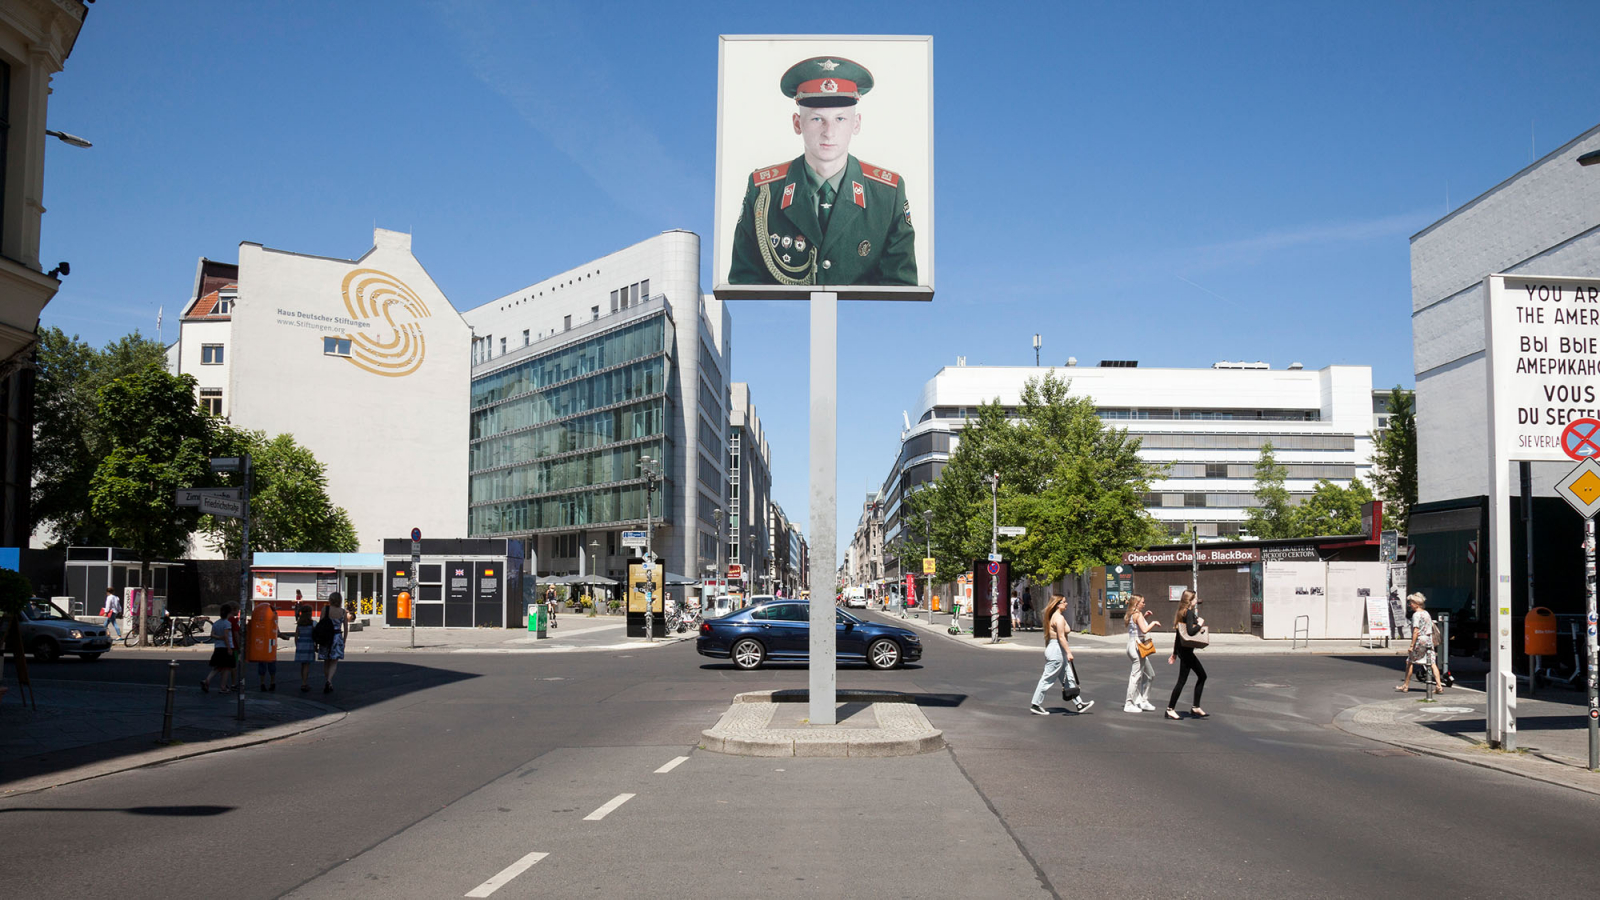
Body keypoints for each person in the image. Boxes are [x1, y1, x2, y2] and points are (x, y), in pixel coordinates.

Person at [728, 56, 917, 287]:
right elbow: (744, 285)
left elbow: (901, 291)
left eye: (840, 119)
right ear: (798, 123)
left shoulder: (888, 194)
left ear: (856, 124)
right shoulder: (764, 190)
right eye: (817, 119)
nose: (829, 132)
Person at [1030, 595, 1094, 716]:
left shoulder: (1057, 617)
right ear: (1058, 604)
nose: (1067, 604)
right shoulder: (1058, 618)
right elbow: (1061, 637)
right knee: (1047, 678)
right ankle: (1035, 704)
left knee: (1068, 678)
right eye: (1064, 602)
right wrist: (1069, 652)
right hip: (1056, 650)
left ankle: (1079, 704)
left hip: (1058, 650)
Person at [1166, 590, 1209, 719]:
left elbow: (1177, 636)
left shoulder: (1181, 612)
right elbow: (1190, 632)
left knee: (1197, 677)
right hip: (1186, 653)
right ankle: (1171, 709)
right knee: (1193, 678)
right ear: (1190, 600)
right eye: (1195, 598)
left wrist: (1174, 653)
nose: (1196, 600)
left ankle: (1195, 707)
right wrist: (1200, 624)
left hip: (1182, 650)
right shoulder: (1188, 613)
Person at [1397, 592, 1444, 694]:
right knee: (1432, 663)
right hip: (1428, 639)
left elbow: (1416, 631)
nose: (1410, 605)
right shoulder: (1427, 613)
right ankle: (1439, 686)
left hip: (1420, 640)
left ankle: (1405, 685)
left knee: (1409, 661)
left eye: (1411, 603)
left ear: (1417, 604)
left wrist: (1411, 645)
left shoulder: (1416, 615)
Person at [1123, 593, 1161, 713]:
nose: (1144, 604)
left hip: (1133, 645)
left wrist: (1146, 617)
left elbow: (1137, 626)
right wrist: (1153, 623)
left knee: (1150, 674)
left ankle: (1143, 701)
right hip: (1137, 647)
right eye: (1142, 602)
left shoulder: (1132, 613)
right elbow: (1144, 629)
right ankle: (1128, 703)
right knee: (1136, 676)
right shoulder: (1137, 614)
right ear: (1136, 603)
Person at [314, 594, 347, 694]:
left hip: (325, 637)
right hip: (337, 637)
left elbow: (320, 624)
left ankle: (328, 681)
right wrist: (344, 640)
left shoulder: (325, 609)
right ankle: (329, 681)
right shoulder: (342, 611)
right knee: (334, 661)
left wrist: (316, 641)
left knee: (326, 661)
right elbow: (345, 627)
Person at [201, 602, 237, 694]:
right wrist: (229, 648)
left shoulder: (216, 623)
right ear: (229, 613)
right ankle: (223, 687)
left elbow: (212, 635)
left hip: (218, 647)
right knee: (227, 668)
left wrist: (218, 637)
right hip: (226, 647)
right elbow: (226, 637)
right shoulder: (227, 623)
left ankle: (207, 680)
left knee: (218, 667)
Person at [251, 602, 278, 692]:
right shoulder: (273, 620)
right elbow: (276, 631)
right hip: (271, 645)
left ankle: (262, 683)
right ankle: (272, 682)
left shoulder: (259, 622)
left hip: (262, 646)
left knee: (262, 665)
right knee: (271, 665)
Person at [293, 603, 316, 692]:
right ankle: (304, 683)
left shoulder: (299, 623)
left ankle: (303, 681)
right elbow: (314, 635)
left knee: (302, 665)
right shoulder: (312, 623)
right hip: (309, 643)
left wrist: (297, 645)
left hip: (301, 643)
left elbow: (296, 635)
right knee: (306, 665)